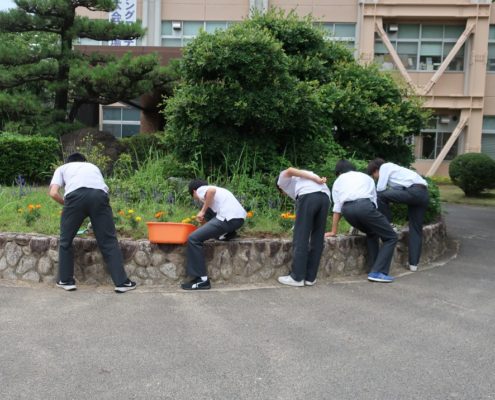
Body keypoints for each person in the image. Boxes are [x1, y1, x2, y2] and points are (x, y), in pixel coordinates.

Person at [48, 152, 136, 293]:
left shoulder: (63, 168)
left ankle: (66, 280)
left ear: (68, 162)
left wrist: (67, 205)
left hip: (74, 197)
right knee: (109, 240)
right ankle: (122, 283)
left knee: (65, 240)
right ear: (84, 161)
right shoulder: (93, 167)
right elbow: (102, 189)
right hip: (99, 196)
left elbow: (53, 193)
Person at [326, 160, 397, 283]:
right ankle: (377, 272)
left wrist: (333, 231)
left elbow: (337, 208)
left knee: (372, 232)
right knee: (391, 237)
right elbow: (374, 202)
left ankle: (373, 267)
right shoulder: (366, 177)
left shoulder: (338, 181)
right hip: (365, 207)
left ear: (339, 173)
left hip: (347, 211)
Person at [181, 179, 246, 290]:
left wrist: (202, 211)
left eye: (194, 197)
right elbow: (210, 227)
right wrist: (204, 222)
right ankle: (226, 234)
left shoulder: (201, 190)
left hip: (227, 218)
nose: (197, 199)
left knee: (193, 238)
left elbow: (211, 191)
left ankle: (202, 280)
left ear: (194, 191)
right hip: (238, 219)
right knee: (211, 235)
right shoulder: (218, 194)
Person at [367, 158, 429, 272]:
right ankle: (413, 264)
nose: (375, 178)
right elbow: (399, 192)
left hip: (413, 191)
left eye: (373, 175)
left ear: (376, 170)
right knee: (416, 229)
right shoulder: (397, 172)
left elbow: (380, 189)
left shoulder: (385, 167)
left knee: (379, 195)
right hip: (423, 193)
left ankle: (388, 224)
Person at [276, 167, 331, 287]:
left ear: (279, 187)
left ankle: (297, 277)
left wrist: (315, 178)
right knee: (317, 237)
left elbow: (290, 170)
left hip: (309, 196)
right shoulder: (299, 182)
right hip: (325, 197)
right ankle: (310, 278)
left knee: (301, 236)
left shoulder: (282, 181)